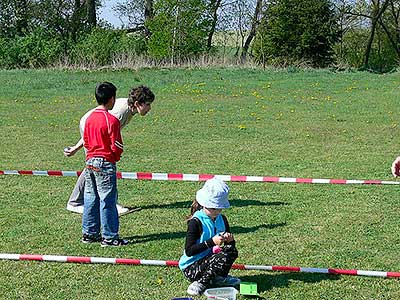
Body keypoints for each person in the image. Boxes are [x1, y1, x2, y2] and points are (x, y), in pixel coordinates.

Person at [64, 85, 155, 215]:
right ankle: (76, 203)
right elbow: (97, 128)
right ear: (137, 104)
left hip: (95, 127)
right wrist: (75, 148)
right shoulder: (120, 112)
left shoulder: (129, 110)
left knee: (97, 165)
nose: (149, 108)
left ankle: (98, 202)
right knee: (98, 165)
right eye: (147, 104)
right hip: (89, 126)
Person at [81, 81, 128, 247]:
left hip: (89, 161)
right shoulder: (111, 120)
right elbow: (117, 144)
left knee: (90, 197)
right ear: (112, 99)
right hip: (105, 162)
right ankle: (110, 237)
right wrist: (115, 156)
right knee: (108, 200)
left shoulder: (89, 118)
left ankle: (89, 233)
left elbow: (85, 140)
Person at [178, 177, 240, 296]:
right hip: (192, 266)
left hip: (210, 261)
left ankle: (219, 278)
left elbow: (228, 247)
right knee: (220, 256)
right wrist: (212, 242)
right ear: (204, 204)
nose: (216, 211)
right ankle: (200, 283)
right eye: (213, 208)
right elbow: (189, 251)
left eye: (219, 208)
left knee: (231, 251)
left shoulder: (222, 219)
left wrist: (229, 241)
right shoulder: (195, 222)